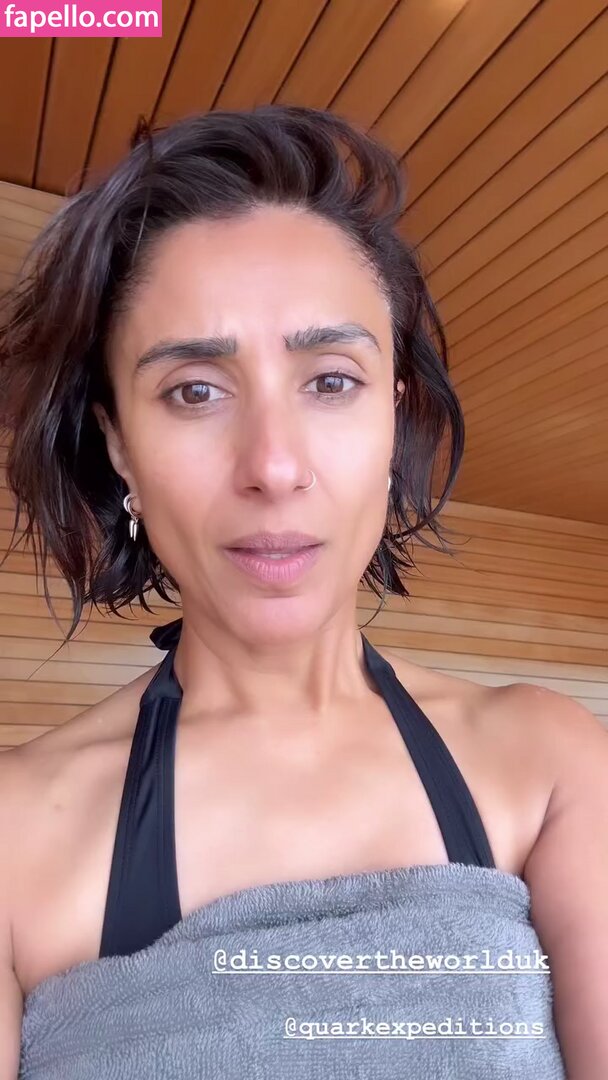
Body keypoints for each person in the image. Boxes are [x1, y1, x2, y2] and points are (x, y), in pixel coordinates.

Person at [0, 104, 606, 1079]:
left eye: (329, 381)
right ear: (119, 445)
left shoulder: (550, 763)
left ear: (392, 420)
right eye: (194, 390)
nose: (274, 467)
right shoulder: (13, 830)